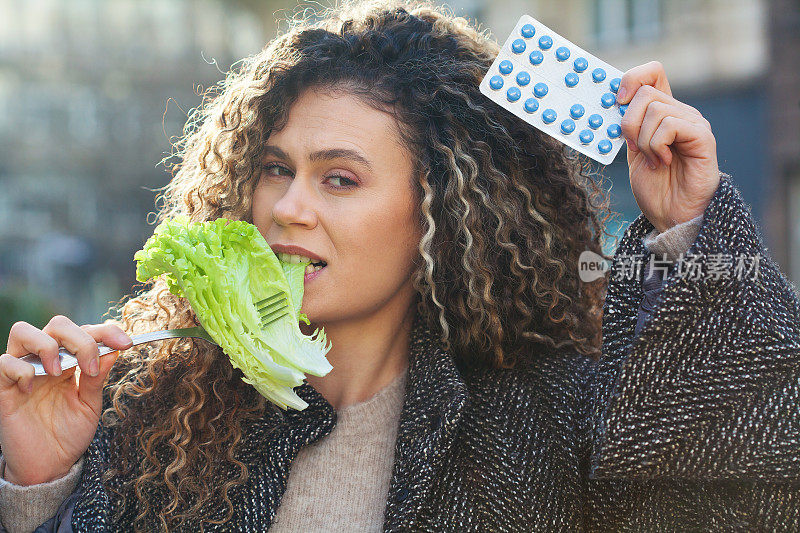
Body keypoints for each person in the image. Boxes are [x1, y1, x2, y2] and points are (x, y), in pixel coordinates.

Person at [1, 0, 798, 531]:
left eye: (339, 178)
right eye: (275, 167)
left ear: (443, 208)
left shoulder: (551, 414)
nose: (287, 207)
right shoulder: (153, 408)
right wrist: (42, 487)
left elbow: (740, 495)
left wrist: (689, 227)